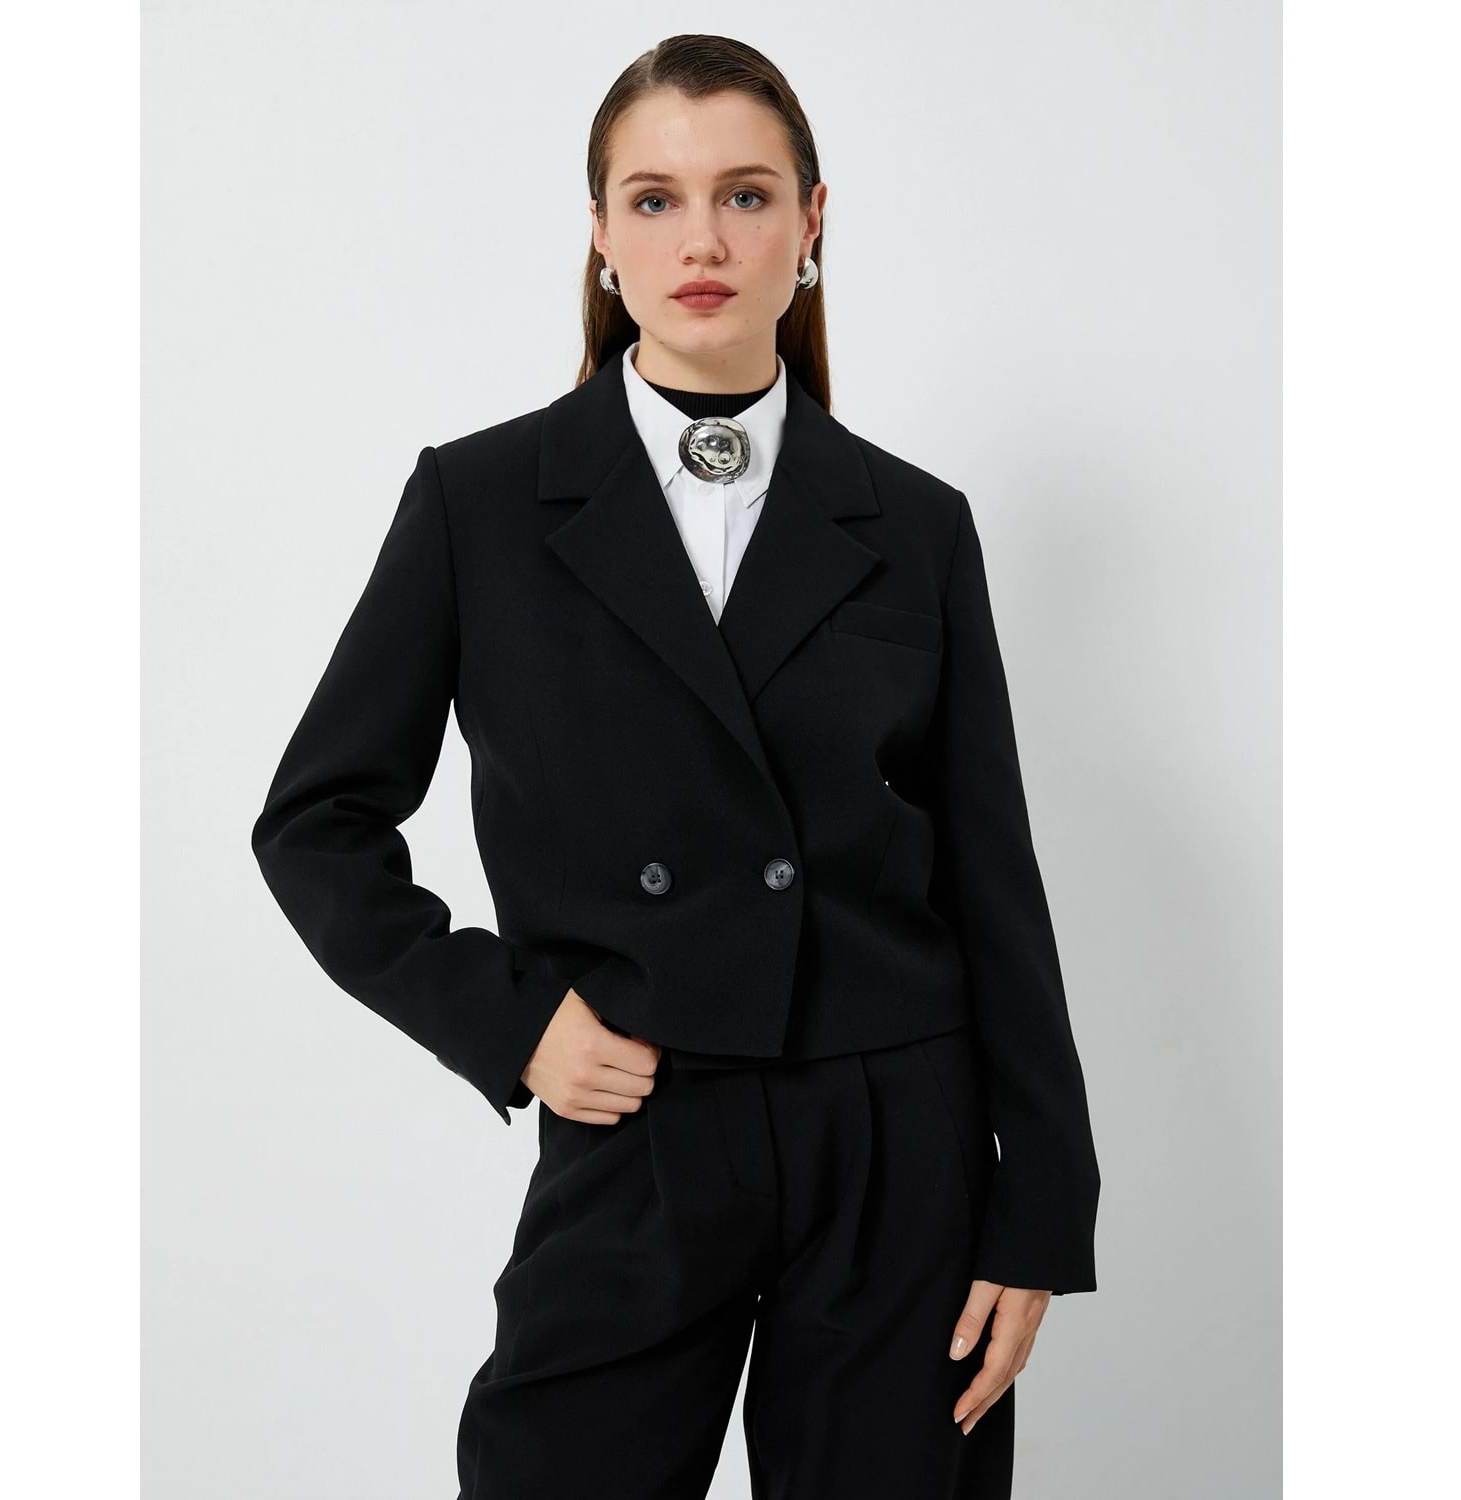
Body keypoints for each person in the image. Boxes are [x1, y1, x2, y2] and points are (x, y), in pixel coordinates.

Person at [251, 32, 1100, 1500]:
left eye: (745, 196)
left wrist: (1041, 1206)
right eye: (654, 199)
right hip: (635, 1122)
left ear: (811, 223)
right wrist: (512, 1023)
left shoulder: (914, 522)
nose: (701, 240)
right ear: (599, 232)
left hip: (893, 1139)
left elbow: (991, 874)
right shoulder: (480, 503)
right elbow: (315, 821)